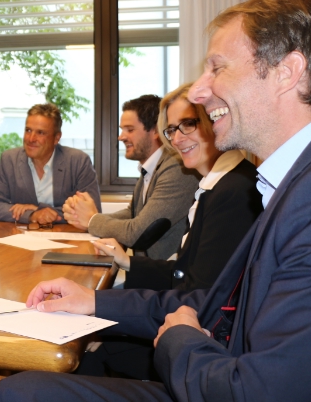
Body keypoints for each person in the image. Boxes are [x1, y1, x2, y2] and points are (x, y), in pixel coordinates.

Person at [0, 0, 311, 401]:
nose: (200, 91)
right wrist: (94, 302)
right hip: (217, 369)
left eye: (217, 68)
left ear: (287, 72)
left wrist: (180, 339)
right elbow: (215, 301)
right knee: (23, 388)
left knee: (22, 393)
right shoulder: (299, 179)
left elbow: (263, 390)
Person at [74, 83, 263, 381]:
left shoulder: (234, 191)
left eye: (188, 124)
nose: (176, 138)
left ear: (215, 120)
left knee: (85, 351)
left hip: (206, 352)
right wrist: (128, 263)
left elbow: (200, 298)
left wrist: (100, 309)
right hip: (186, 322)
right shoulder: (217, 186)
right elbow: (185, 274)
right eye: (172, 129)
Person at [64, 95, 199, 260]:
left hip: (163, 274)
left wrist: (92, 220)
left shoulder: (177, 168)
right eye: (122, 130)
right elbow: (133, 213)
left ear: (156, 130)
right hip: (146, 270)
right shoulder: (151, 166)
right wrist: (84, 217)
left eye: (130, 130)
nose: (121, 137)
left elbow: (138, 233)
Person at [0, 103, 100, 225]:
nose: (31, 139)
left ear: (56, 138)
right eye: (28, 130)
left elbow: (92, 213)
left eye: (40, 133)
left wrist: (39, 209)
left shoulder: (78, 161)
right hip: (21, 235)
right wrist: (31, 215)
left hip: (65, 235)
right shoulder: (9, 160)